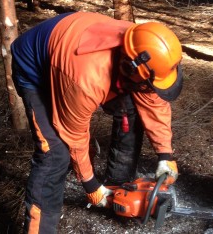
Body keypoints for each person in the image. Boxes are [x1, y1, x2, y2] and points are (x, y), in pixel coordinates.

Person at [10, 11, 183, 234]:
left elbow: (152, 100)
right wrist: (90, 185)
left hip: (70, 40)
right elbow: (73, 132)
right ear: (129, 68)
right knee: (55, 154)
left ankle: (117, 187)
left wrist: (165, 154)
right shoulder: (85, 79)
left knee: (132, 107)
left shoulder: (144, 48)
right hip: (35, 68)